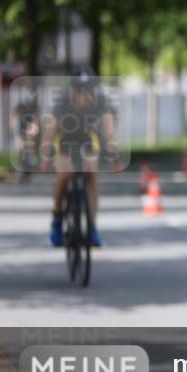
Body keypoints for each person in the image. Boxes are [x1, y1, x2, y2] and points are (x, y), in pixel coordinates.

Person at [43, 68, 117, 247]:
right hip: (64, 138)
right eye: (81, 91)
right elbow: (50, 129)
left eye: (89, 90)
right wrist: (46, 154)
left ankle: (92, 227)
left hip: (87, 138)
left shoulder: (100, 101)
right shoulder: (62, 101)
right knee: (65, 174)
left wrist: (112, 153)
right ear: (72, 91)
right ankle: (57, 218)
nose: (86, 95)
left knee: (91, 173)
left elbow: (108, 129)